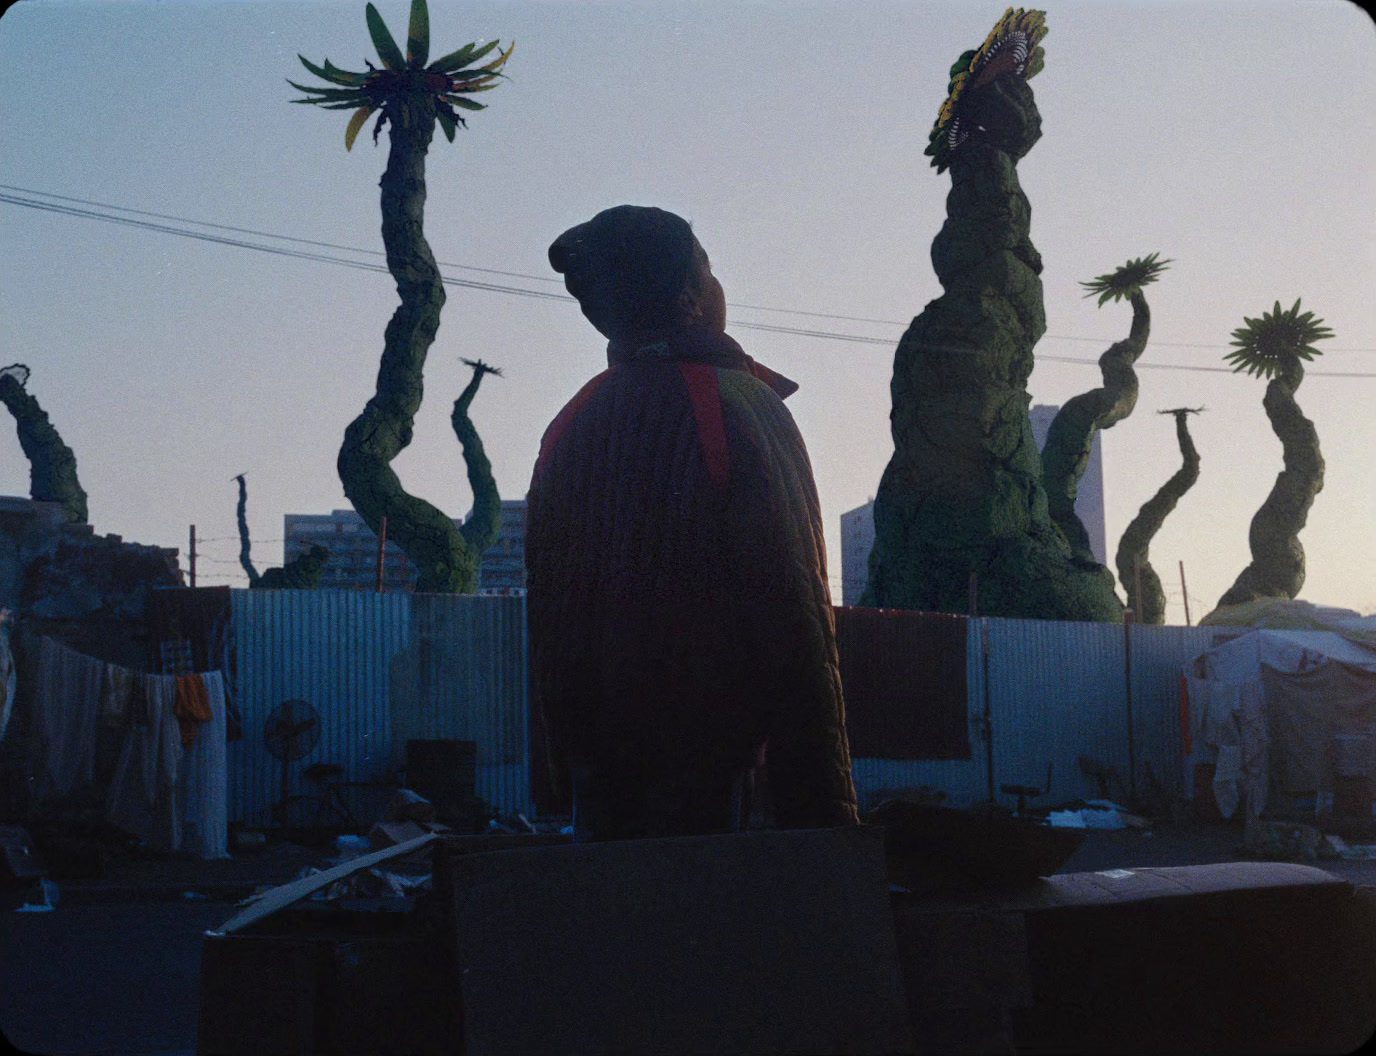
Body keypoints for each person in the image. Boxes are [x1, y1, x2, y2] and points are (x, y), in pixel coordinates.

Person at [526, 204, 859, 841]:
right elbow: (796, 614)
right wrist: (826, 815)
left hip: (598, 780)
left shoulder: (570, 423)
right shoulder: (735, 403)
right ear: (692, 302)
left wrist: (560, 772)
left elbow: (548, 616)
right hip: (712, 776)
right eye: (710, 273)